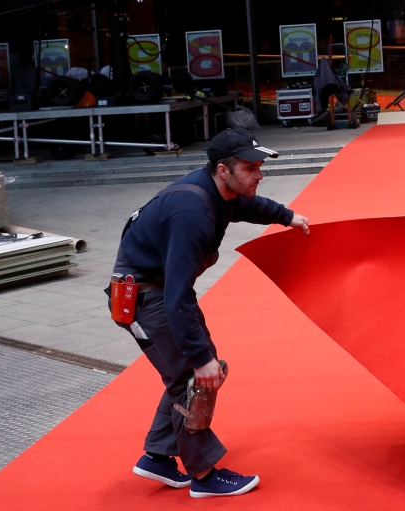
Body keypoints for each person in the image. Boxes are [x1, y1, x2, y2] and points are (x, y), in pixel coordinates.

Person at [109, 128, 311, 498]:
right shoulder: (193, 214)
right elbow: (177, 295)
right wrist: (202, 359)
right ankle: (204, 475)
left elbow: (246, 206)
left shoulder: (221, 191)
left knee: (186, 373)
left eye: (260, 166)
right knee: (197, 378)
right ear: (223, 170)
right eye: (251, 168)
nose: (260, 174)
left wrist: (289, 216)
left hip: (152, 288)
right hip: (145, 296)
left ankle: (157, 455)